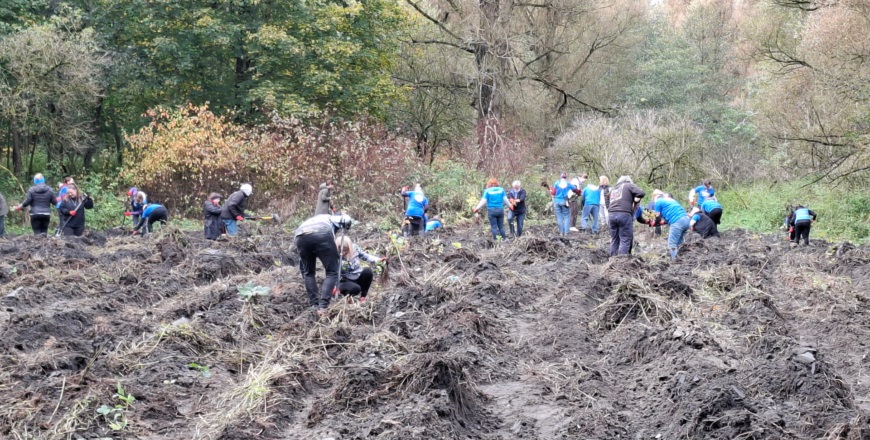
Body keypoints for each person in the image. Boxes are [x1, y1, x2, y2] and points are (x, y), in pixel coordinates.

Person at [295, 213, 353, 315]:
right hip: (322, 233)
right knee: (332, 272)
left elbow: (303, 265)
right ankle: (323, 307)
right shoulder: (332, 218)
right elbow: (346, 219)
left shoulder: (315, 219)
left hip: (300, 236)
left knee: (308, 273)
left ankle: (314, 305)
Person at [335, 236, 385, 303]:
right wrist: (334, 286)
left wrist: (378, 260)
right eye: (341, 251)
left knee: (368, 271)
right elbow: (331, 272)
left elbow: (366, 256)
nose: (343, 253)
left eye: (346, 250)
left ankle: (363, 297)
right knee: (356, 288)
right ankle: (348, 297)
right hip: (344, 281)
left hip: (357, 276)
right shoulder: (333, 255)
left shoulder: (355, 249)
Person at [608, 176, 645, 256]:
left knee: (614, 239)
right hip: (624, 214)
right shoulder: (628, 185)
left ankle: (612, 259)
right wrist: (636, 199)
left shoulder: (614, 188)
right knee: (625, 239)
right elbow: (641, 193)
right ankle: (622, 260)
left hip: (611, 214)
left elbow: (608, 200)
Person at [653, 190, 690, 260]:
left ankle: (674, 262)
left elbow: (657, 217)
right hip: (686, 220)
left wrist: (655, 223)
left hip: (677, 221)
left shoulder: (658, 201)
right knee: (679, 243)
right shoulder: (670, 200)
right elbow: (671, 214)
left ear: (655, 196)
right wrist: (662, 222)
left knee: (672, 244)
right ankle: (683, 260)